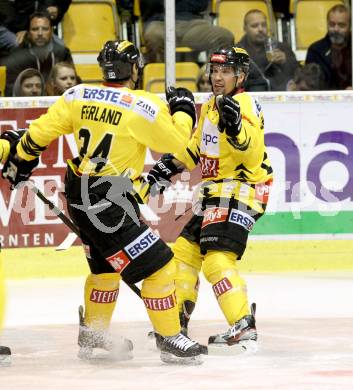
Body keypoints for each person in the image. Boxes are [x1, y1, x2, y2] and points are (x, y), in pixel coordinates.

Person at [1, 39, 206, 365]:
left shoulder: (77, 95)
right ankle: (169, 338)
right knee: (161, 267)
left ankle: (94, 334)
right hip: (106, 201)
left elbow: (39, 132)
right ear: (135, 69)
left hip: (80, 192)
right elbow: (183, 148)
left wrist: (20, 158)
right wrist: (182, 111)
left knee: (106, 268)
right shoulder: (140, 105)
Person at [147, 46, 273, 352]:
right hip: (215, 193)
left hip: (243, 188)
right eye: (214, 71)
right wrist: (167, 166)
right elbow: (195, 148)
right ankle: (176, 321)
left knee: (217, 258)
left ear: (240, 76)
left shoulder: (244, 103)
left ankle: (243, 324)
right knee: (185, 253)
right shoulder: (212, 105)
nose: (217, 77)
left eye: (225, 71)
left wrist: (237, 130)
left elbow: (251, 150)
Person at [0, 11, 72, 96]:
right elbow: (11, 94)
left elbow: (74, 86)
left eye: (45, 29)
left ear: (51, 31)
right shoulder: (15, 57)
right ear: (28, 33)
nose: (40, 33)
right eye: (35, 29)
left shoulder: (63, 53)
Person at [136, 0, 234, 62]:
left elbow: (201, 4)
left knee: (224, 36)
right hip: (160, 23)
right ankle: (159, 79)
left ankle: (209, 78)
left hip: (192, 24)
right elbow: (148, 4)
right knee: (153, 34)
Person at [237, 9, 298, 91]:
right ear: (245, 28)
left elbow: (297, 74)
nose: (260, 29)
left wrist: (285, 61)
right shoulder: (237, 51)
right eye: (254, 26)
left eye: (264, 25)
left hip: (277, 97)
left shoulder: (282, 47)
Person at [305, 4, 351, 90]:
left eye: (341, 25)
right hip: (325, 101)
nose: (336, 29)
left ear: (349, 26)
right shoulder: (315, 50)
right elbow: (310, 86)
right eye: (332, 24)